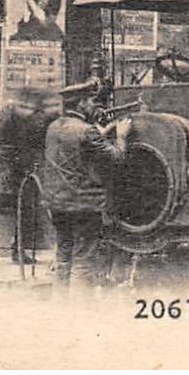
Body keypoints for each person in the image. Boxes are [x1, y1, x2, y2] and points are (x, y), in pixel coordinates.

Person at [38, 95, 128, 292]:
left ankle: (59, 308)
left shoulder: (53, 127)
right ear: (80, 103)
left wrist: (99, 135)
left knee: (63, 256)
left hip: (56, 203)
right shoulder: (87, 131)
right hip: (82, 205)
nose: (95, 106)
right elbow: (117, 157)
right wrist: (121, 135)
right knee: (83, 261)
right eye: (91, 102)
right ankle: (81, 313)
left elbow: (76, 148)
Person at [0, 89, 58, 261]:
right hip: (14, 170)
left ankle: (21, 248)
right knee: (23, 208)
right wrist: (14, 163)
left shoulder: (22, 117)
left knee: (27, 209)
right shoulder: (11, 117)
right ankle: (19, 250)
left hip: (22, 168)